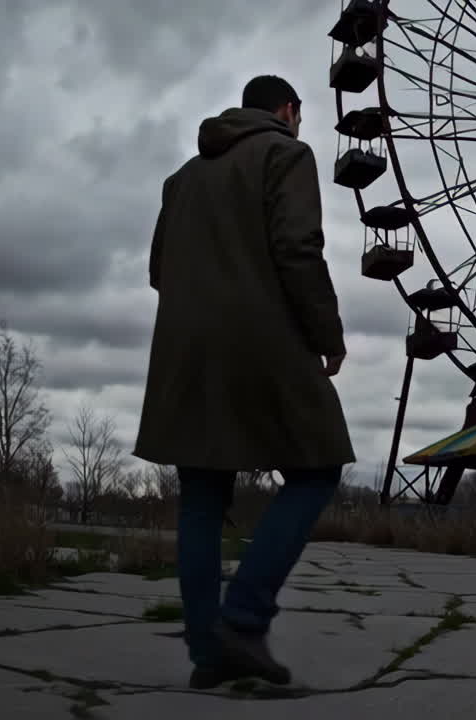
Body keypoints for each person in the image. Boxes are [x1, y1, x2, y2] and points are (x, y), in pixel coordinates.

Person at [133, 75, 355, 689]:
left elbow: (158, 270)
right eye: (299, 116)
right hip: (261, 339)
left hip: (185, 350)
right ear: (288, 111)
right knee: (318, 465)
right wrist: (326, 336)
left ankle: (209, 654)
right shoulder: (287, 152)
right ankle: (247, 618)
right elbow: (298, 248)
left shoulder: (181, 179)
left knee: (202, 493)